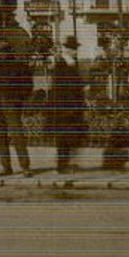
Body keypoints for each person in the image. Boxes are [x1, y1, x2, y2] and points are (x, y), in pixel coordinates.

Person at [0, 32, 34, 177]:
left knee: (17, 135)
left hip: (12, 104)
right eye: (0, 52)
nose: (2, 54)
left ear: (9, 52)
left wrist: (19, 99)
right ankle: (6, 167)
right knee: (0, 136)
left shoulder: (18, 67)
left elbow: (28, 85)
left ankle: (25, 166)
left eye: (5, 51)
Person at [45, 37, 88, 174]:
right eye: (74, 49)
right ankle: (61, 166)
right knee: (63, 137)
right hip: (64, 107)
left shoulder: (71, 63)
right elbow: (61, 87)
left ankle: (67, 164)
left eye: (76, 49)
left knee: (71, 137)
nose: (76, 51)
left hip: (71, 106)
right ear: (68, 50)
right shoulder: (62, 64)